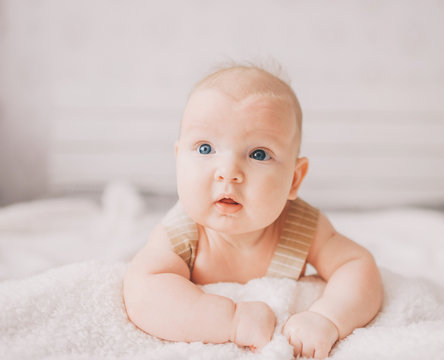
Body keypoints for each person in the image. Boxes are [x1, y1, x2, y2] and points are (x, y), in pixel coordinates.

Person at [122, 64, 383, 359]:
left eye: (258, 154)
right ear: (178, 158)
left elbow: (356, 265)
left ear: (294, 180)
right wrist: (230, 320)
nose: (228, 173)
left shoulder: (301, 227)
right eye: (205, 148)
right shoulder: (181, 233)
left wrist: (328, 318)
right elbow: (144, 293)